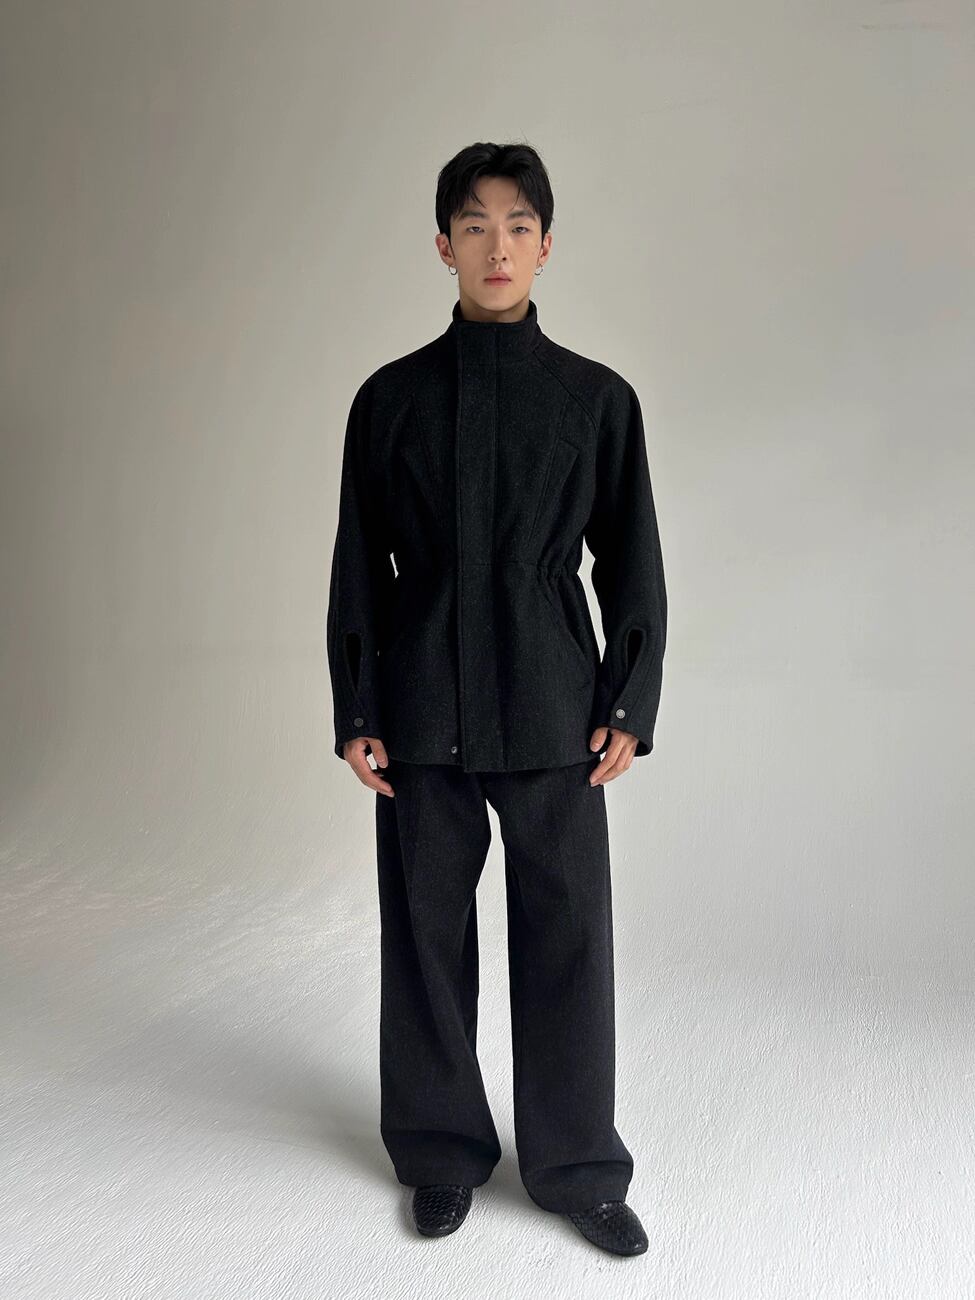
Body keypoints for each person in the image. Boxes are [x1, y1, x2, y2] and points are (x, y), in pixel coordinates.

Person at [326, 141, 667, 1257]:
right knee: (426, 936)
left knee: (568, 937)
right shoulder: (389, 401)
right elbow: (358, 565)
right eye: (474, 225)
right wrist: (359, 704)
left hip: (554, 703)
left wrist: (629, 698)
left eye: (518, 225)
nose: (497, 245)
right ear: (443, 245)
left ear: (546, 245)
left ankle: (577, 1168)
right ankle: (439, 1152)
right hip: (421, 704)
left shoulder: (595, 400)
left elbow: (631, 561)